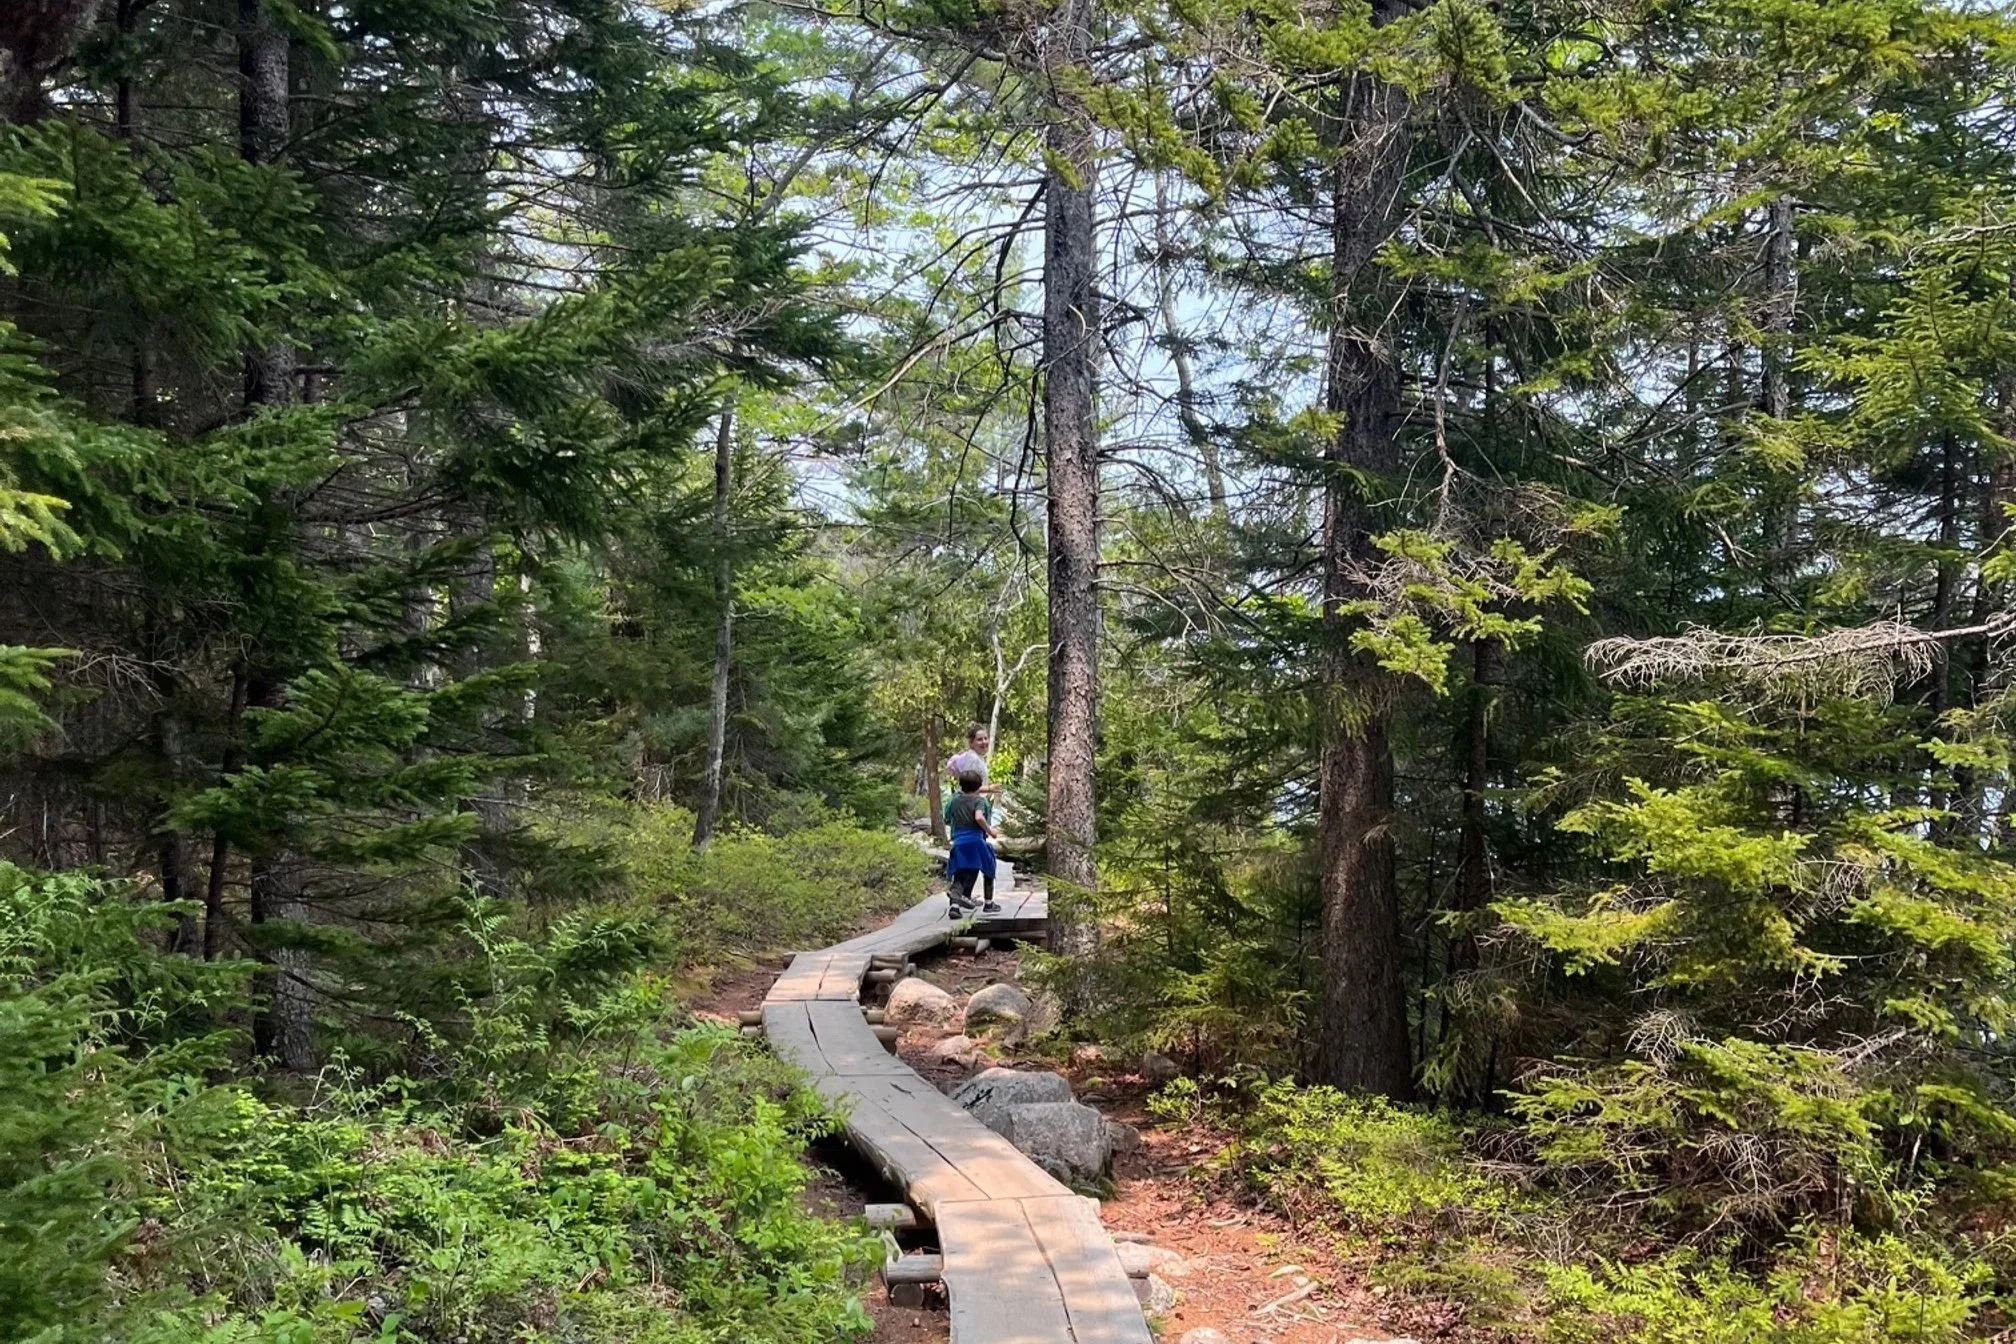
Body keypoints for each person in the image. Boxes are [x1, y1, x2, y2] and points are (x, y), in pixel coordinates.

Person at [943, 768, 1000, 917]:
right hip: (977, 841)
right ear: (978, 786)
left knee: (960, 873)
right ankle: (989, 904)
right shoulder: (980, 801)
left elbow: (947, 817)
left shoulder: (954, 800)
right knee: (989, 868)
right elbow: (979, 817)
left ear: (961, 785)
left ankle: (955, 907)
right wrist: (990, 831)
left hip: (959, 841)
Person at [944, 724, 1000, 796]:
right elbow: (968, 787)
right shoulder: (972, 758)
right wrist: (989, 788)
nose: (984, 742)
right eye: (979, 739)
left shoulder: (978, 757)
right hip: (971, 804)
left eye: (985, 738)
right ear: (971, 743)